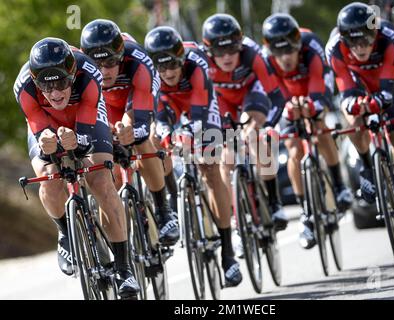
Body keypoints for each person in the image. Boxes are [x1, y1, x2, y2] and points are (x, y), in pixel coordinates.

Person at [13, 37, 140, 297]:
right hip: (45, 120)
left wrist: (76, 143)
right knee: (49, 178)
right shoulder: (23, 85)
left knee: (101, 180)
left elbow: (85, 138)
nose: (56, 93)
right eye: (47, 88)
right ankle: (65, 234)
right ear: (36, 83)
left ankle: (124, 268)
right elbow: (37, 123)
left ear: (72, 76)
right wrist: (49, 144)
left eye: (61, 83)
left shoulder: (88, 71)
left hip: (86, 113)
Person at [326, 2, 394, 253]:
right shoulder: (333, 48)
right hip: (357, 84)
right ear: (344, 39)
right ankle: (367, 168)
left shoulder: (389, 36)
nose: (360, 48)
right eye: (353, 43)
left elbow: (390, 81)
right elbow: (344, 85)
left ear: (374, 34)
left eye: (366, 41)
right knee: (353, 119)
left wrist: (380, 100)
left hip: (388, 82)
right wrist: (355, 104)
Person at [144, 26, 243, 287]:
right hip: (168, 103)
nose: (168, 73)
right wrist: (166, 133)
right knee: (155, 140)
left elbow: (201, 112)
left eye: (173, 66)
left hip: (200, 103)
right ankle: (170, 204)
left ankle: (228, 252)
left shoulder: (196, 63)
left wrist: (191, 133)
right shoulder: (150, 75)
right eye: (162, 69)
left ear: (181, 60)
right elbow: (154, 113)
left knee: (210, 167)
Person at [80, 19, 179, 246]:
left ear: (122, 56)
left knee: (140, 138)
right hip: (105, 105)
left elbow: (141, 119)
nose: (104, 71)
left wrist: (132, 131)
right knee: (107, 169)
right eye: (98, 64)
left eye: (111, 62)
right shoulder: (82, 72)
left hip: (133, 98)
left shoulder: (138, 60)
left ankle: (164, 211)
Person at [262, 13, 353, 249]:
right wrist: (287, 110)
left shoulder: (311, 44)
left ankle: (339, 184)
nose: (286, 58)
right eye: (279, 53)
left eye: (290, 51)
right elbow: (271, 95)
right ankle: (306, 210)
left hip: (314, 87)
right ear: (271, 50)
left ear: (297, 46)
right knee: (293, 148)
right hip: (286, 96)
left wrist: (313, 106)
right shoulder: (265, 59)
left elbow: (321, 80)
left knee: (320, 128)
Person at [201, 13, 289, 231]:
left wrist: (268, 126)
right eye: (220, 52)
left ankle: (273, 201)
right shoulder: (201, 61)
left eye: (232, 49)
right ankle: (235, 216)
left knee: (253, 135)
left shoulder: (252, 54)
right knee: (225, 157)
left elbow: (277, 97)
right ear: (210, 50)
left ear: (240, 45)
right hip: (222, 101)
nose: (227, 57)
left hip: (251, 94)